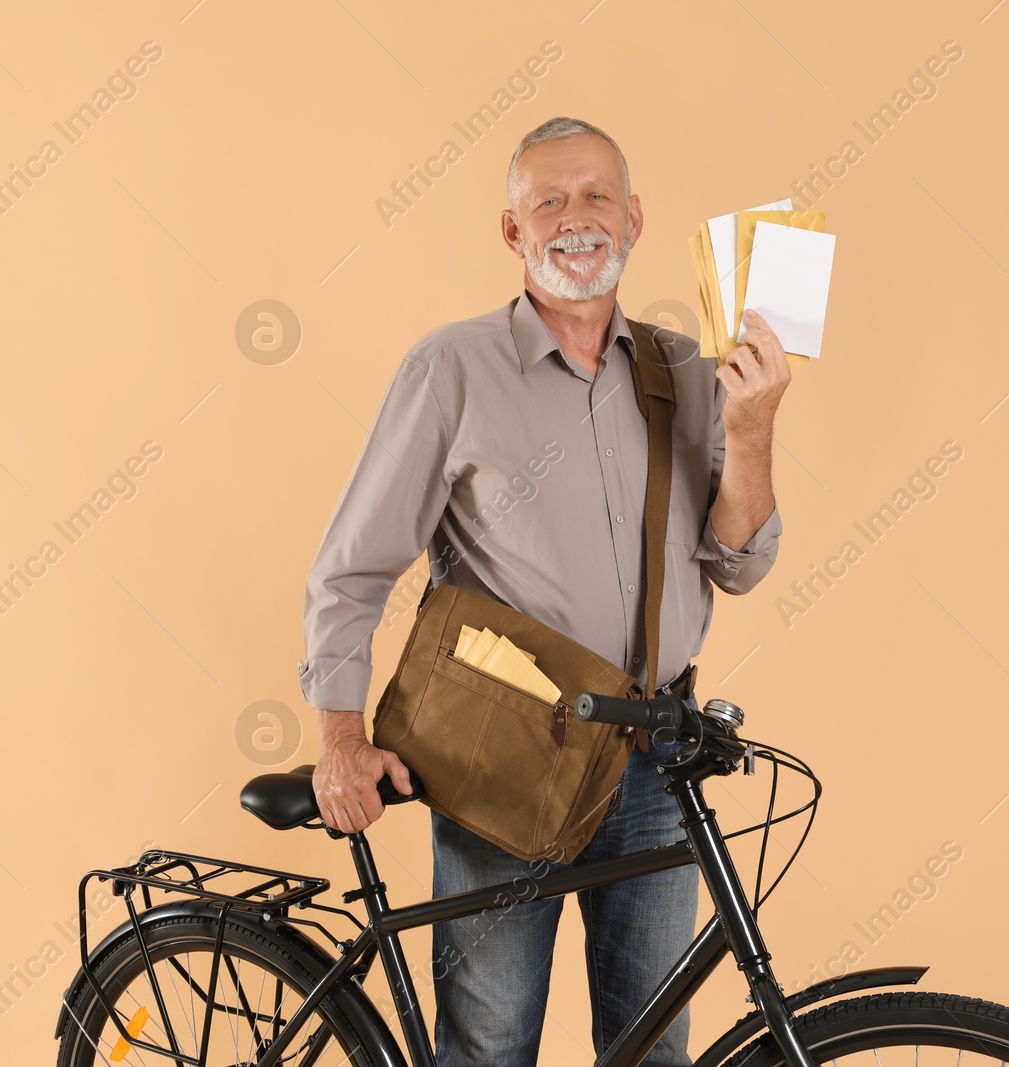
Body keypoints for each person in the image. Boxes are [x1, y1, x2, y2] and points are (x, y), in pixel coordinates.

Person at [297, 116, 791, 1067]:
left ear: (635, 219)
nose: (576, 219)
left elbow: (740, 561)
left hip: (656, 757)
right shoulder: (451, 369)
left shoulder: (687, 372)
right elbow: (353, 567)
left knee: (653, 1049)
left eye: (596, 195)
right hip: (506, 756)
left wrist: (754, 425)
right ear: (512, 232)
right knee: (489, 1047)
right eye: (548, 202)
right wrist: (341, 739)